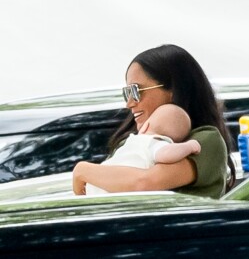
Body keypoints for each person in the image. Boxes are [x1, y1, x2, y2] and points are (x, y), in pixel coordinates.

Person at [73, 44, 236, 198]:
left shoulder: (205, 141)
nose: (129, 103)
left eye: (136, 91)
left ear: (172, 90)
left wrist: (83, 170)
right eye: (127, 93)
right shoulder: (137, 140)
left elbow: (144, 183)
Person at [86, 103, 201, 194]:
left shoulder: (143, 141)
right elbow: (166, 155)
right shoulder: (153, 143)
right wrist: (189, 146)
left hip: (99, 181)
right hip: (118, 188)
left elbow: (165, 154)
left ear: (146, 126)